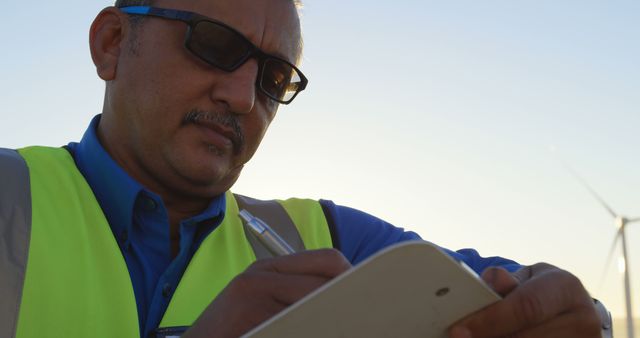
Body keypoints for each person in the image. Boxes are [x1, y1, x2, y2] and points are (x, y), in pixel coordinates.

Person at [0, 0, 609, 337]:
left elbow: (514, 294)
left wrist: (573, 312)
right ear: (111, 42)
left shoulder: (331, 241)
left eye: (273, 78)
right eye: (213, 44)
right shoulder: (11, 196)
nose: (242, 97)